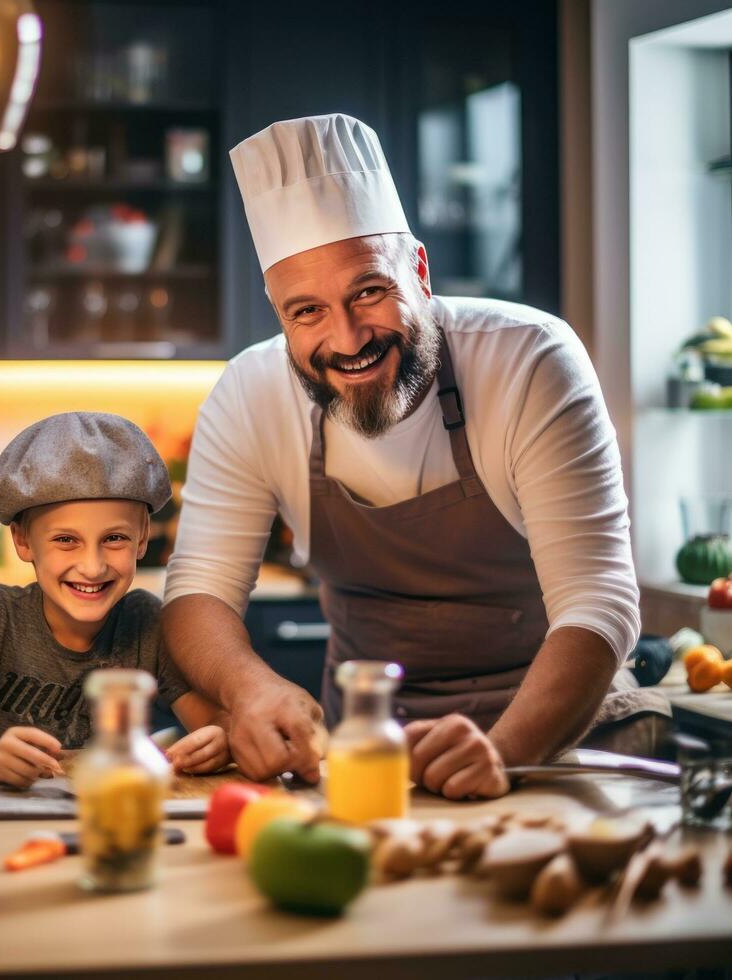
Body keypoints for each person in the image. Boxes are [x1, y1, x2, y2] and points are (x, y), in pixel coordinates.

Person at [162, 113, 669, 799]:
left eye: (368, 291)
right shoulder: (251, 393)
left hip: (557, 745)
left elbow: (599, 601)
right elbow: (196, 593)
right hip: (364, 753)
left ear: (420, 272)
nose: (346, 340)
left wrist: (503, 754)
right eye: (305, 312)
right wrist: (249, 688)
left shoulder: (528, 359)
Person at [0, 412, 230, 788]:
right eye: (66, 540)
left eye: (115, 538)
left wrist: (219, 742)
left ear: (143, 538)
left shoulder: (148, 621)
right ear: (23, 541)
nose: (92, 567)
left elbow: (214, 727)